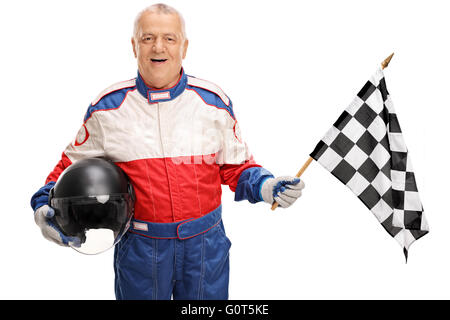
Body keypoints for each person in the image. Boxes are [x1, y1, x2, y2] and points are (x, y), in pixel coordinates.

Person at [30, 3, 305, 300]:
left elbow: (237, 166)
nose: (158, 47)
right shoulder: (107, 109)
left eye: (169, 38)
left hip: (205, 250)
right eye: (147, 38)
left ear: (184, 47)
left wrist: (267, 185)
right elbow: (66, 171)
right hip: (140, 251)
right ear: (134, 46)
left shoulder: (213, 102)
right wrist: (43, 207)